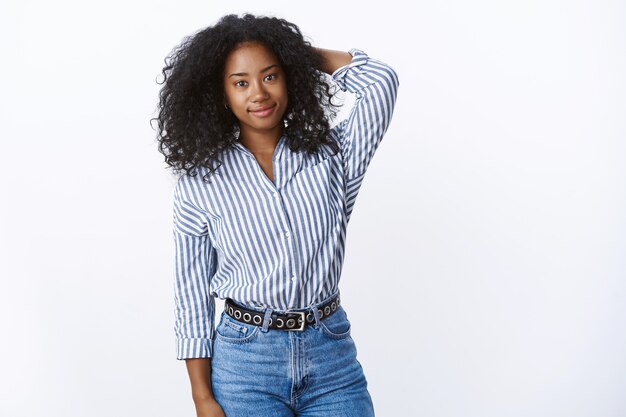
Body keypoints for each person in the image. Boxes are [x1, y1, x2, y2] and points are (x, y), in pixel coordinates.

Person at [154, 12, 399, 417]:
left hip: (331, 356)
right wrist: (202, 398)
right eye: (240, 82)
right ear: (220, 93)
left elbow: (381, 83)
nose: (258, 93)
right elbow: (191, 295)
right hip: (245, 364)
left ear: (289, 79)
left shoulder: (334, 157)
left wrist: (296, 55)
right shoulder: (200, 182)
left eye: (270, 76)